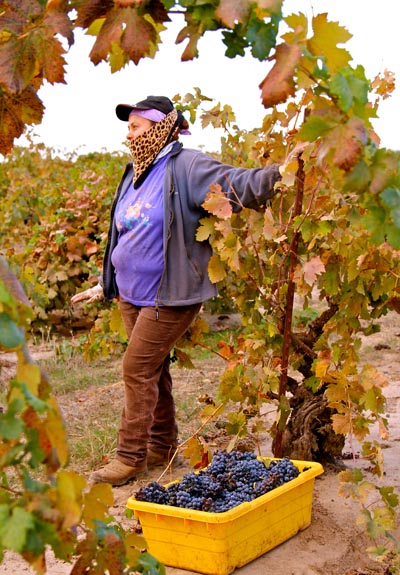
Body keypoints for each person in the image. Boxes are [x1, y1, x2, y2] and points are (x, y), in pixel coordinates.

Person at [71, 95, 281, 485]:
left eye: (136, 126)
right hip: (131, 295)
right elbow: (126, 233)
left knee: (136, 369)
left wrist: (280, 173)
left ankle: (130, 457)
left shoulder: (186, 166)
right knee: (154, 371)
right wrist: (106, 282)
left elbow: (235, 185)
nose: (129, 134)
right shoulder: (135, 172)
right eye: (128, 127)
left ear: (161, 127)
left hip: (168, 295)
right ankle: (162, 446)